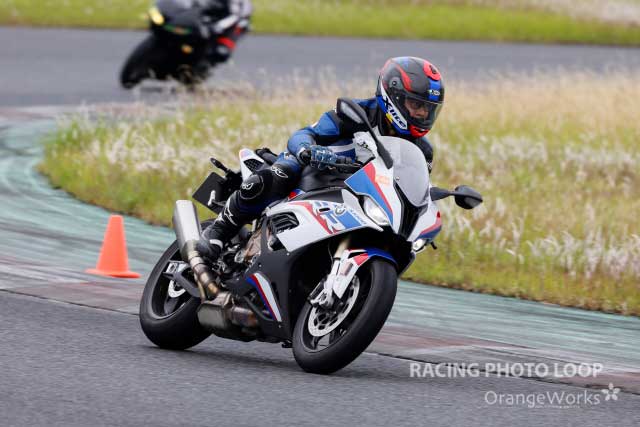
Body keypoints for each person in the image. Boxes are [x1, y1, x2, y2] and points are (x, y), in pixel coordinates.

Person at [197, 56, 445, 260]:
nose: (422, 114)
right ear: (393, 95)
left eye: (428, 108)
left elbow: (409, 184)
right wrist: (307, 150)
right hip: (316, 169)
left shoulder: (423, 151)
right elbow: (304, 134)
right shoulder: (356, 112)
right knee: (280, 173)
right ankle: (219, 230)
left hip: (357, 192)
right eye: (416, 105)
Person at [200, 0, 252, 64]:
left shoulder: (238, 3)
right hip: (218, 20)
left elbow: (236, 16)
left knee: (221, 52)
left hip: (233, 25)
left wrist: (220, 25)